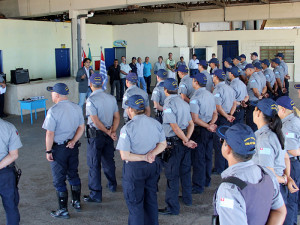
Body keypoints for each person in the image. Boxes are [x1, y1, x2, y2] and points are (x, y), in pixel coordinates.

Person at [213, 123, 286, 225]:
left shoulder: (229, 190)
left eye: (222, 141)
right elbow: (280, 211)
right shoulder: (267, 174)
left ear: (227, 148)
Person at [116, 95, 167, 225]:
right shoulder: (155, 123)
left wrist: (144, 157)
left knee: (135, 205)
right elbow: (163, 144)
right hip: (152, 166)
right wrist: (152, 154)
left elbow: (125, 155)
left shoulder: (127, 128)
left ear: (130, 110)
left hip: (135, 170)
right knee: (151, 199)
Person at [42, 83, 85, 219]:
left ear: (57, 95)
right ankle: (76, 202)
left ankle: (63, 210)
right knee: (73, 173)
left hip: (59, 149)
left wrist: (48, 151)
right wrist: (73, 141)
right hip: (72, 147)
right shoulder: (76, 107)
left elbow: (50, 134)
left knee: (59, 180)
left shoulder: (53, 111)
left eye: (52, 92)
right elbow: (81, 127)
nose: (51, 95)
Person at [159, 78, 197, 215]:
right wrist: (187, 139)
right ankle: (187, 198)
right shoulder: (183, 103)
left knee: (172, 176)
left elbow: (174, 127)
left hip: (174, 144)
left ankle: (172, 207)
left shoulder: (168, 104)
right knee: (185, 172)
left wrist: (185, 139)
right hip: (183, 143)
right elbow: (191, 124)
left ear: (165, 90)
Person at [252, 98, 298, 205]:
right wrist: (287, 177)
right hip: (277, 186)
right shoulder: (276, 131)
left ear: (258, 113)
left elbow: (268, 172)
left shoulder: (265, 139)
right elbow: (286, 156)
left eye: (254, 110)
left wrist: (285, 179)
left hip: (269, 189)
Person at [83, 73, 120, 203]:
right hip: (109, 133)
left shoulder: (90, 100)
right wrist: (112, 131)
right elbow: (117, 117)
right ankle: (112, 184)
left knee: (94, 164)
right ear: (102, 84)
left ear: (91, 84)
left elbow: (95, 121)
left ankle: (96, 194)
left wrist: (107, 132)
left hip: (96, 135)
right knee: (109, 161)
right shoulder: (111, 98)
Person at [189, 72, 218, 194]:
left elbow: (194, 119)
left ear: (196, 82)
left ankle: (198, 185)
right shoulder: (210, 95)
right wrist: (211, 125)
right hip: (209, 130)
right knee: (207, 156)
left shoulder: (195, 98)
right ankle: (207, 180)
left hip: (200, 130)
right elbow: (215, 113)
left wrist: (207, 126)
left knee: (198, 159)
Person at [276, 96, 300, 225]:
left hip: (291, 164)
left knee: (290, 199)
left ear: (283, 110)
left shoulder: (287, 126)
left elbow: (292, 150)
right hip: (294, 163)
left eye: (277, 109)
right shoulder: (295, 119)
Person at [212, 69, 237, 174]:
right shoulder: (229, 88)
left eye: (213, 76)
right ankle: (227, 164)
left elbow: (218, 106)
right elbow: (234, 103)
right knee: (227, 142)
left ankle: (219, 167)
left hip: (221, 118)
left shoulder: (217, 90)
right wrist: (230, 114)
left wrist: (226, 116)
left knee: (219, 144)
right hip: (228, 117)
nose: (212, 78)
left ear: (216, 78)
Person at [0, 118, 22, 225]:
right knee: (10, 206)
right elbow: (14, 155)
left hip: (6, 174)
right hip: (5, 173)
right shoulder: (9, 127)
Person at [244, 64, 263, 132]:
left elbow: (255, 90)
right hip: (256, 101)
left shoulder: (252, 78)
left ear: (250, 70)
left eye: (246, 70)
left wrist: (258, 96)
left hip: (253, 102)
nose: (245, 72)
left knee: (251, 121)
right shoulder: (258, 76)